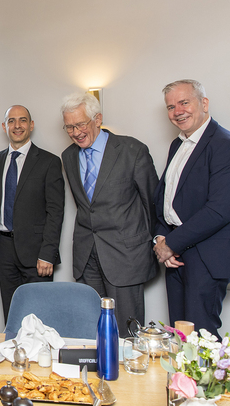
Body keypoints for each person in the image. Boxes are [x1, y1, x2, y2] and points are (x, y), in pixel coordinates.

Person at [154, 80, 230, 338]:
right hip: (176, 253)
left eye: (184, 103)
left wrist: (170, 243)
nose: (177, 111)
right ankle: (181, 382)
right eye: (171, 106)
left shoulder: (228, 145)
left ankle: (208, 382)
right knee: (179, 336)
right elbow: (166, 198)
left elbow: (221, 210)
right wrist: (161, 237)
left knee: (201, 339)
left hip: (208, 255)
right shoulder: (178, 144)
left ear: (204, 103)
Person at [60, 92, 158, 337]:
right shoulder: (68, 156)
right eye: (69, 126)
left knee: (127, 334)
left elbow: (152, 204)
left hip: (125, 257)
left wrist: (157, 245)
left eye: (80, 124)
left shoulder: (132, 150)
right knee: (88, 330)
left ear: (97, 119)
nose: (75, 132)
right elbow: (86, 205)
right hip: (86, 256)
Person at [0, 105, 65, 321]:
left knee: (38, 317)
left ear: (31, 125)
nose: (17, 125)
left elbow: (55, 212)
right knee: (11, 315)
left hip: (37, 253)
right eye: (11, 121)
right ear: (4, 126)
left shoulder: (49, 162)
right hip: (3, 251)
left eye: (22, 120)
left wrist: (48, 253)